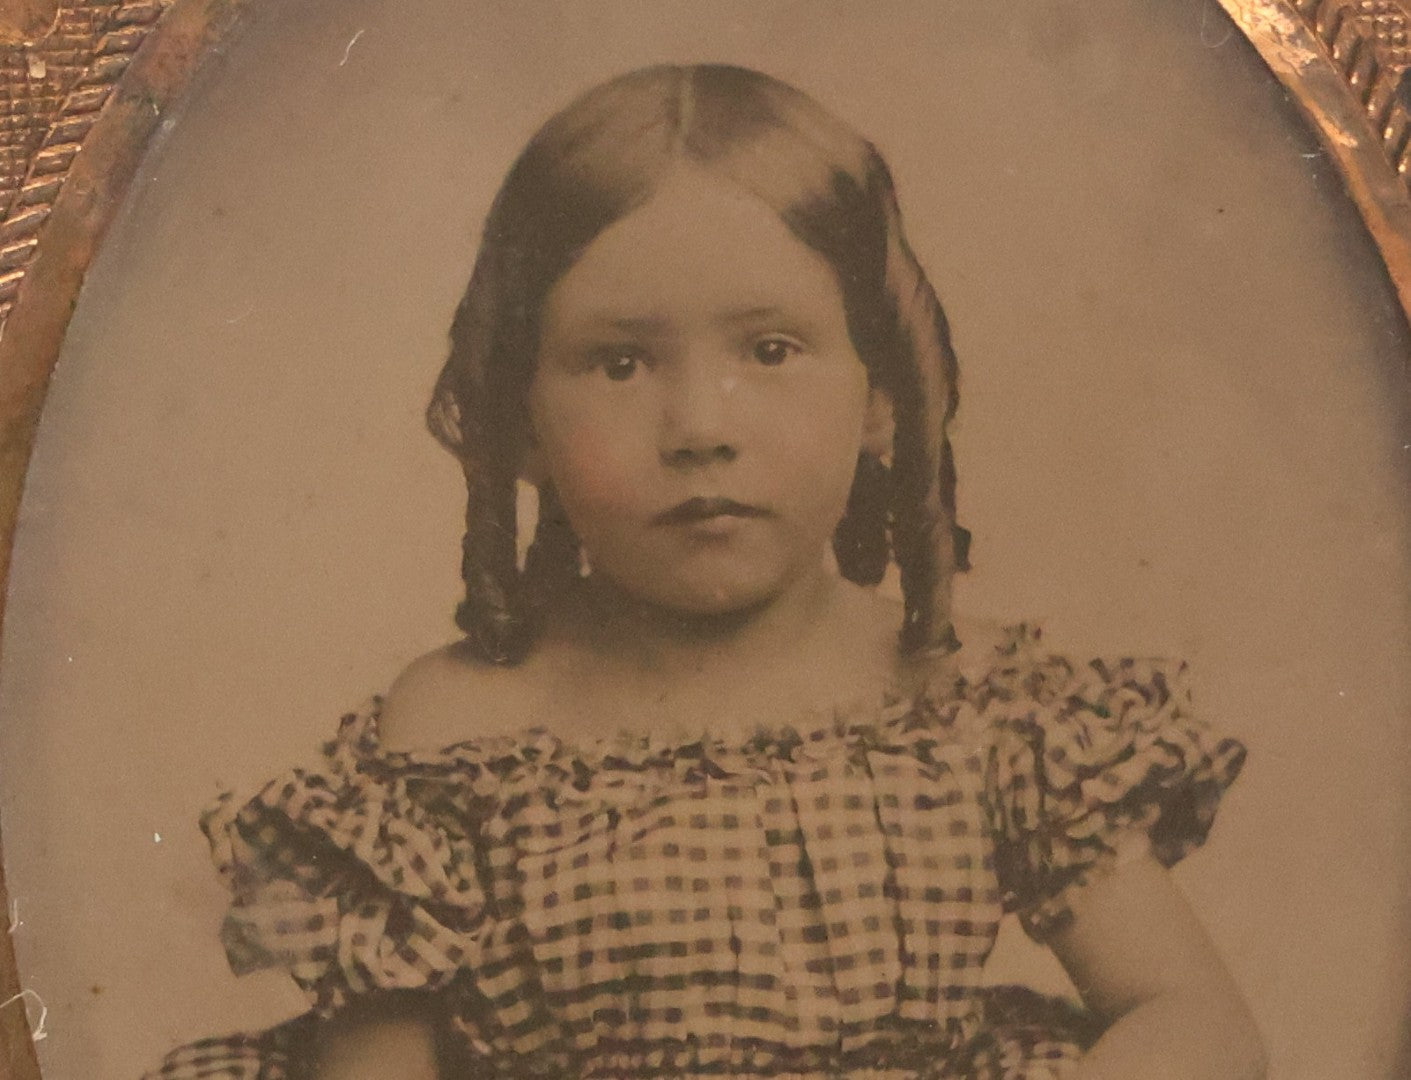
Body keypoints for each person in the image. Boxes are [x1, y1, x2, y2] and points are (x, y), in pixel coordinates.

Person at [149, 64, 1265, 1080]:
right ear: (519, 418)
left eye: (769, 351)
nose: (698, 427)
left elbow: (1195, 1023)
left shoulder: (971, 708)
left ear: (881, 393)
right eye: (619, 362)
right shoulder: (456, 735)